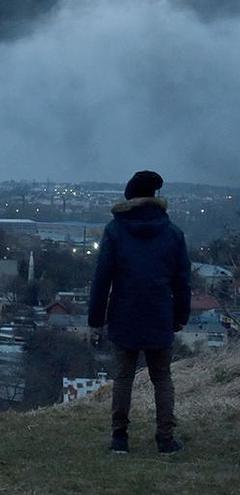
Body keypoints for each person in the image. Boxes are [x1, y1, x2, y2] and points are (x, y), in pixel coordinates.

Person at [89, 170, 190, 455]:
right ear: (155, 197)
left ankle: (120, 438)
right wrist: (181, 316)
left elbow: (102, 278)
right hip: (160, 313)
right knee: (162, 378)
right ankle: (166, 439)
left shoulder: (115, 230)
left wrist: (96, 319)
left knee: (123, 377)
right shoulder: (173, 233)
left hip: (124, 313)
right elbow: (182, 281)